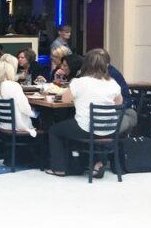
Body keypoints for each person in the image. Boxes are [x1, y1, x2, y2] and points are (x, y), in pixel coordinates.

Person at [46, 49, 122, 178]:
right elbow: (119, 102)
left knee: (55, 130)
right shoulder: (112, 83)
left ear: (85, 64)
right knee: (83, 127)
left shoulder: (79, 82)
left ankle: (59, 168)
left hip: (86, 128)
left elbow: (65, 99)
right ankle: (96, 164)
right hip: (109, 128)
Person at [0, 55, 37, 137]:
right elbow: (26, 109)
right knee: (41, 117)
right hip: (18, 126)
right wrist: (35, 113)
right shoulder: (14, 85)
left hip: (2, 125)